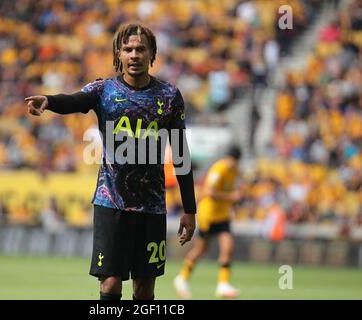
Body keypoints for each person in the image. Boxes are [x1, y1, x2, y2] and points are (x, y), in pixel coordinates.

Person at [25, 23, 197, 300]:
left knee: (144, 289)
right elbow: (75, 100)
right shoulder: (103, 90)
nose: (134, 55)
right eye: (128, 49)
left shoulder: (169, 96)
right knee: (110, 285)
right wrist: (50, 100)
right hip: (111, 203)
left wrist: (190, 208)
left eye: (141, 49)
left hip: (151, 207)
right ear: (118, 53)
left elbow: (181, 153)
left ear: (152, 53)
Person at [174, 145, 242, 299]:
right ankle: (182, 277)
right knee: (200, 249)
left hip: (222, 216)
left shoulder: (236, 172)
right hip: (209, 215)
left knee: (228, 246)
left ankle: (223, 284)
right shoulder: (219, 169)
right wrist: (231, 197)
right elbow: (209, 192)